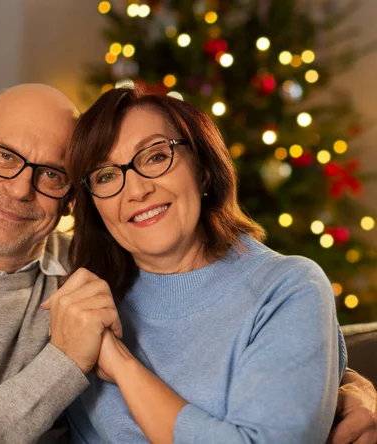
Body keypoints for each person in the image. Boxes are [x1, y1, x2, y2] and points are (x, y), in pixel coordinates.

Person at [0, 83, 376, 443]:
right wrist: (65, 362)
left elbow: (259, 339)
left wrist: (347, 388)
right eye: (5, 157)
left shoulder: (86, 270)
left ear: (69, 197)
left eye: (52, 173)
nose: (20, 190)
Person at [59, 86, 376, 443]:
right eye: (106, 176)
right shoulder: (79, 300)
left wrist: (122, 366)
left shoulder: (287, 288)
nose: (135, 190)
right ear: (94, 206)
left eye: (154, 156)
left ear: (203, 170)